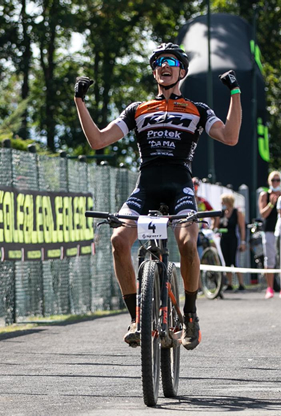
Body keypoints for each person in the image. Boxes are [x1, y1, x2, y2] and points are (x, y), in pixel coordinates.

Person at [74, 43, 242, 349]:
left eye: (172, 62)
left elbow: (230, 137)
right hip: (146, 188)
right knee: (118, 241)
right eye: (159, 62)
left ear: (182, 71)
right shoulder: (137, 109)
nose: (164, 66)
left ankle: (190, 315)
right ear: (154, 72)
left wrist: (235, 93)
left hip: (180, 187)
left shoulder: (198, 109)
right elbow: (98, 141)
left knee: (187, 243)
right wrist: (79, 101)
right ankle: (136, 319)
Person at [258, 171, 281, 299]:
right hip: (269, 230)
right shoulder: (264, 195)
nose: (275, 183)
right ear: (269, 181)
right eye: (273, 180)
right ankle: (270, 288)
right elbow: (263, 214)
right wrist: (271, 204)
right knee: (270, 259)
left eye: (278, 180)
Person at [218, 193, 247, 292]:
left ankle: (241, 283)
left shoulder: (237, 212)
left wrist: (243, 242)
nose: (221, 203)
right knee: (226, 262)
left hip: (234, 239)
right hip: (224, 240)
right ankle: (229, 283)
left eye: (223, 201)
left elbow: (242, 228)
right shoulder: (221, 213)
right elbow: (216, 226)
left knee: (235, 262)